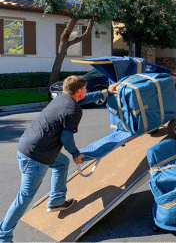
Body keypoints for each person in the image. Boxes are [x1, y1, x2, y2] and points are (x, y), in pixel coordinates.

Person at [0, 75, 121, 242]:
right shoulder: (73, 110)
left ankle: (56, 200)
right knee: (25, 196)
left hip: (30, 145)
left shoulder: (63, 98)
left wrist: (106, 92)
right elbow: (66, 138)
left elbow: (84, 99)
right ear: (78, 91)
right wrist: (76, 155)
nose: (86, 91)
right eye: (84, 89)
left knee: (62, 163)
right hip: (35, 156)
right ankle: (4, 236)